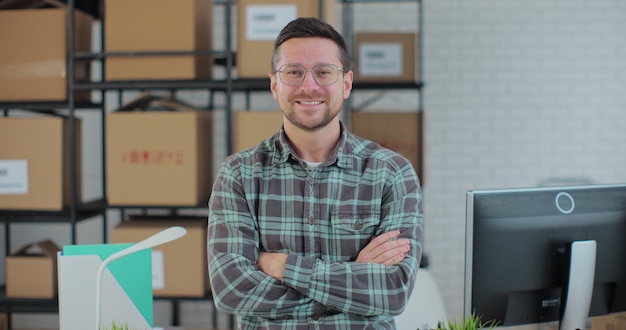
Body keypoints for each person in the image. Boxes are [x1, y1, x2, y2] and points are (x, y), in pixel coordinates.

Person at [208, 17, 423, 329]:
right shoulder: (239, 175)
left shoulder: (391, 173)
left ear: (346, 83)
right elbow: (230, 290)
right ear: (274, 84)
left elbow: (393, 292)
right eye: (293, 72)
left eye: (324, 72)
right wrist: (353, 282)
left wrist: (278, 264)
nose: (309, 86)